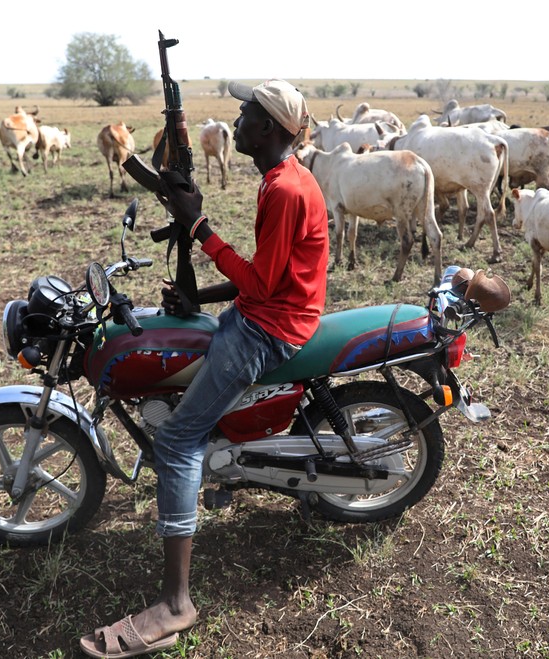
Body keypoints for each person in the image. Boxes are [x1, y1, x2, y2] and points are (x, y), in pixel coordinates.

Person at [80, 79, 329, 658]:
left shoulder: (286, 190)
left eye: (245, 114)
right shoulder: (282, 180)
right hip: (263, 312)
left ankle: (175, 604)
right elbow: (266, 275)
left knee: (175, 442)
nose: (235, 121)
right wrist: (203, 299)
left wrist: (198, 227)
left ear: (268, 128)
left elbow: (264, 285)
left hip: (268, 330)